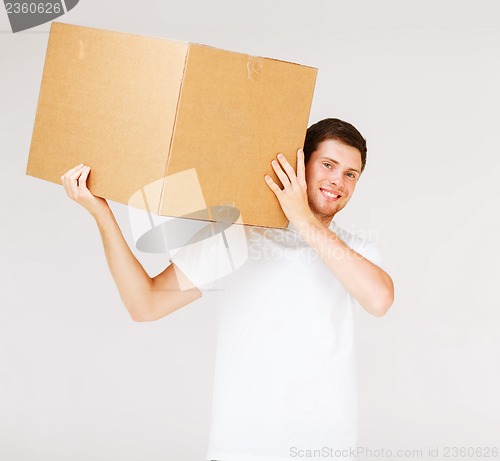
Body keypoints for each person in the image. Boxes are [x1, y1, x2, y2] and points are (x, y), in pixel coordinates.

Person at [61, 118, 394, 461]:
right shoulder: (238, 238)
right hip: (241, 447)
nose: (338, 180)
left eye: (351, 174)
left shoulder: (356, 251)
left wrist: (303, 219)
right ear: (300, 166)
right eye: (328, 165)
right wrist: (101, 213)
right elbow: (145, 305)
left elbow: (380, 300)